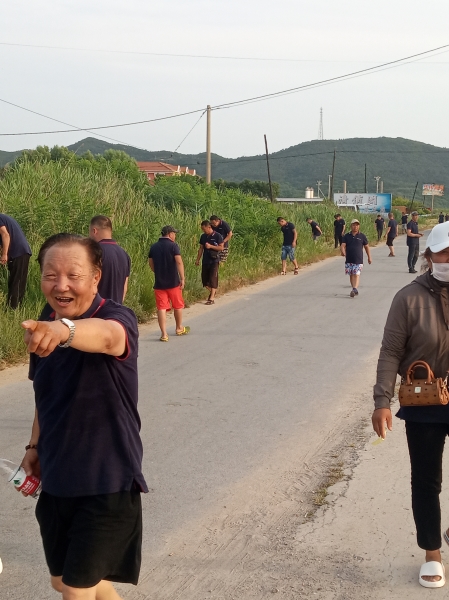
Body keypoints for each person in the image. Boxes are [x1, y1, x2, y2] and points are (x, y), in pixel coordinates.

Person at [20, 233, 147, 600]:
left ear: (95, 277)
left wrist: (63, 330)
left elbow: (107, 338)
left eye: (73, 275)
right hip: (58, 476)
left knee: (76, 590)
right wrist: (34, 447)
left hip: (106, 480)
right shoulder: (45, 323)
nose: (61, 285)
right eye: (51, 275)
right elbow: (44, 394)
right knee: (63, 580)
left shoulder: (116, 317)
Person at [372, 221, 449, 589]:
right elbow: (390, 351)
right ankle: (432, 554)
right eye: (446, 253)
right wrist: (381, 401)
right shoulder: (408, 298)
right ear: (430, 255)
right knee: (427, 480)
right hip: (424, 402)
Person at [148, 225, 189, 342]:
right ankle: (179, 328)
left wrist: (157, 271)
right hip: (173, 282)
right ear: (170, 234)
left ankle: (164, 334)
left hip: (159, 283)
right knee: (178, 305)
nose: (175, 236)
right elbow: (179, 262)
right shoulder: (173, 246)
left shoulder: (154, 247)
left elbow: (151, 263)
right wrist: (182, 278)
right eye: (174, 233)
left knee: (161, 308)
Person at [88, 215, 131, 304]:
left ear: (94, 231)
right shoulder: (124, 254)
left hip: (97, 308)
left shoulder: (94, 252)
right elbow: (124, 288)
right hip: (116, 308)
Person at [0, 213, 32, 308]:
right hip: (22, 251)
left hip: (18, 251)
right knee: (19, 282)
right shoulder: (3, 217)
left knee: (16, 282)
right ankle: (16, 308)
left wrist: (4, 254)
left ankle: (12, 308)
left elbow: (5, 235)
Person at [341, 219, 372, 298]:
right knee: (351, 275)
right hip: (349, 259)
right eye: (354, 225)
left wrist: (369, 257)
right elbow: (343, 245)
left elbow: (366, 247)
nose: (355, 227)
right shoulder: (347, 236)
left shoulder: (362, 236)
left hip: (358, 259)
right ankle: (354, 289)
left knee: (356, 274)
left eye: (357, 225)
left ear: (359, 226)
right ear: (351, 226)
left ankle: (355, 288)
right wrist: (343, 252)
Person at [195, 220, 224, 305]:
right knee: (205, 281)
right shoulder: (203, 236)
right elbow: (201, 248)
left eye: (204, 229)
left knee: (212, 278)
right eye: (202, 229)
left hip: (214, 260)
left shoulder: (217, 236)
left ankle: (211, 299)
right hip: (205, 260)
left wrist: (211, 246)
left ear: (209, 227)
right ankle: (213, 292)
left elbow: (221, 248)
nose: (203, 231)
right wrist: (197, 259)